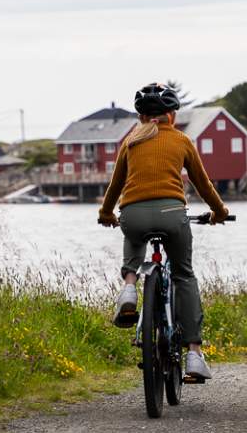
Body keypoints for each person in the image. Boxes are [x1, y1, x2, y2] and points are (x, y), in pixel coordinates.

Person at [98, 83, 230, 382]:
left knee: (133, 234)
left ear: (141, 116)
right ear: (171, 115)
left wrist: (106, 214)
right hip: (173, 216)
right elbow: (203, 184)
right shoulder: (182, 140)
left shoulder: (130, 142)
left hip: (133, 214)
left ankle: (130, 285)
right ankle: (194, 354)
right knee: (183, 274)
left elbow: (115, 186)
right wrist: (219, 212)